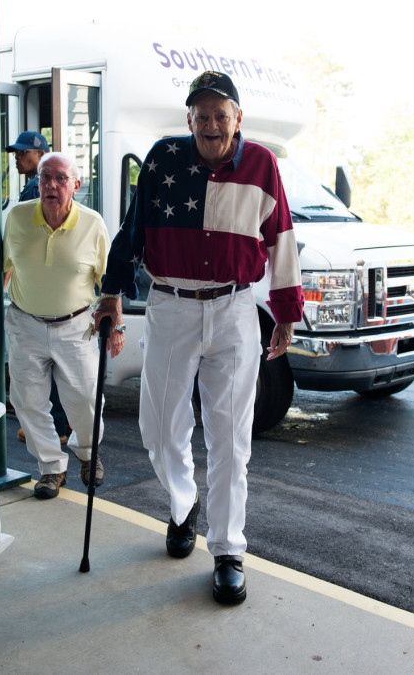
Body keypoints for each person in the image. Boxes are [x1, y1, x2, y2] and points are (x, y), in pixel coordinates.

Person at [93, 71, 302, 604]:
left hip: (234, 308)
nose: (212, 125)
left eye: (221, 114)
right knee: (160, 428)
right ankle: (183, 505)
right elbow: (132, 227)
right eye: (201, 115)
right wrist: (113, 293)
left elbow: (280, 240)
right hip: (171, 305)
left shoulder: (261, 165)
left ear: (238, 118)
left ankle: (228, 550)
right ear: (189, 119)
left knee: (232, 437)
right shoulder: (163, 158)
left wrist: (285, 311)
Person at [3, 151, 113, 499]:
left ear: (76, 185)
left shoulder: (93, 223)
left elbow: (108, 280)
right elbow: (5, 263)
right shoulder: (18, 217)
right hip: (25, 323)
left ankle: (86, 453)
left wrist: (118, 325)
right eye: (45, 177)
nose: (51, 184)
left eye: (60, 178)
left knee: (85, 399)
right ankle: (51, 468)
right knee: (27, 401)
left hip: (75, 326)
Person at [6, 130, 71, 445]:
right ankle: (63, 423)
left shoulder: (36, 187)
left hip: (38, 286)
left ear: (40, 153)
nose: (17, 158)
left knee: (42, 365)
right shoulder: (48, 183)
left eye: (22, 153)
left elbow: (29, 237)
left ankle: (55, 426)